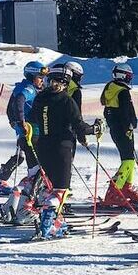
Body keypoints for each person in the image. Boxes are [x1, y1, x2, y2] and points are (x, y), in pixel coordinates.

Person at [28, 64, 105, 239]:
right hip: (62, 147)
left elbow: (31, 119)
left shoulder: (40, 98)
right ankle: (47, 224)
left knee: (51, 186)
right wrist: (95, 129)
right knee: (60, 190)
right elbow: (80, 126)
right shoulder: (66, 100)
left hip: (42, 146)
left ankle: (56, 220)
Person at [0, 61, 48, 195]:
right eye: (39, 77)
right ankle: (0, 182)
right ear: (31, 76)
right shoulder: (28, 89)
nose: (42, 80)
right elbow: (18, 102)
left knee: (21, 155)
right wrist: (20, 122)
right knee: (22, 156)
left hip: (29, 127)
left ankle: (1, 180)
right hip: (27, 128)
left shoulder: (32, 88)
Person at [99, 63, 138, 207]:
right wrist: (130, 124)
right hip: (124, 129)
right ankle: (114, 191)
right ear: (123, 76)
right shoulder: (122, 92)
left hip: (116, 129)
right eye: (128, 76)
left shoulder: (111, 89)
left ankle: (126, 187)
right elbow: (126, 112)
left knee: (129, 159)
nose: (129, 79)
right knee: (128, 160)